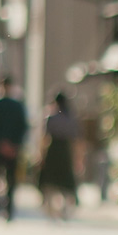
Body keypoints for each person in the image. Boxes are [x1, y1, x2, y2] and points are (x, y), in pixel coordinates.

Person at [0, 76, 28, 221]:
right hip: (0, 145)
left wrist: (14, 144)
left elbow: (23, 126)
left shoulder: (17, 106)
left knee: (11, 179)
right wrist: (3, 143)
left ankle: (8, 207)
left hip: (10, 146)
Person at [38, 91, 80, 219]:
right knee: (66, 182)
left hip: (54, 150)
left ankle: (51, 209)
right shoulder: (71, 118)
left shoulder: (51, 117)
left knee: (50, 181)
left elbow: (44, 138)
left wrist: (41, 155)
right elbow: (77, 141)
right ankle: (65, 209)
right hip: (65, 151)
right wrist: (77, 159)